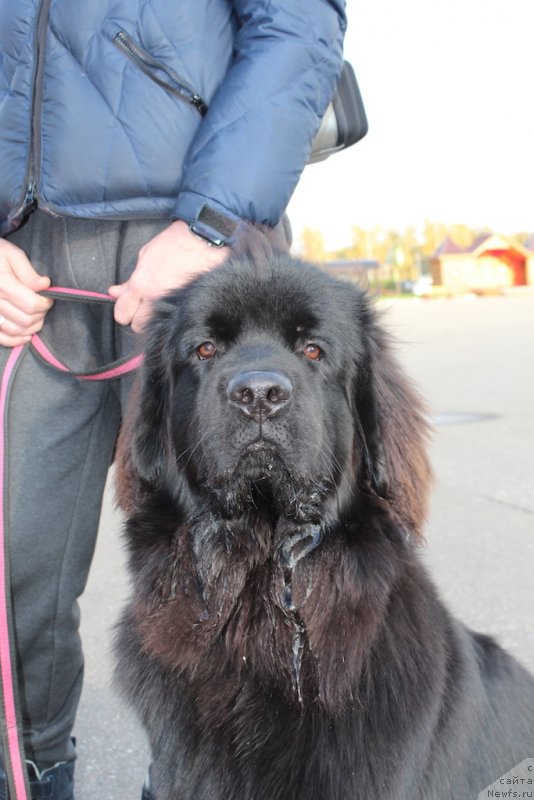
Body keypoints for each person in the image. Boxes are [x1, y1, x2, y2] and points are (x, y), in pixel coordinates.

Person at [0, 2, 347, 799]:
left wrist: (211, 223)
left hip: (194, 244)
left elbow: (296, 23)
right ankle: (30, 775)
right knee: (11, 569)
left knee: (227, 573)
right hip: (25, 265)